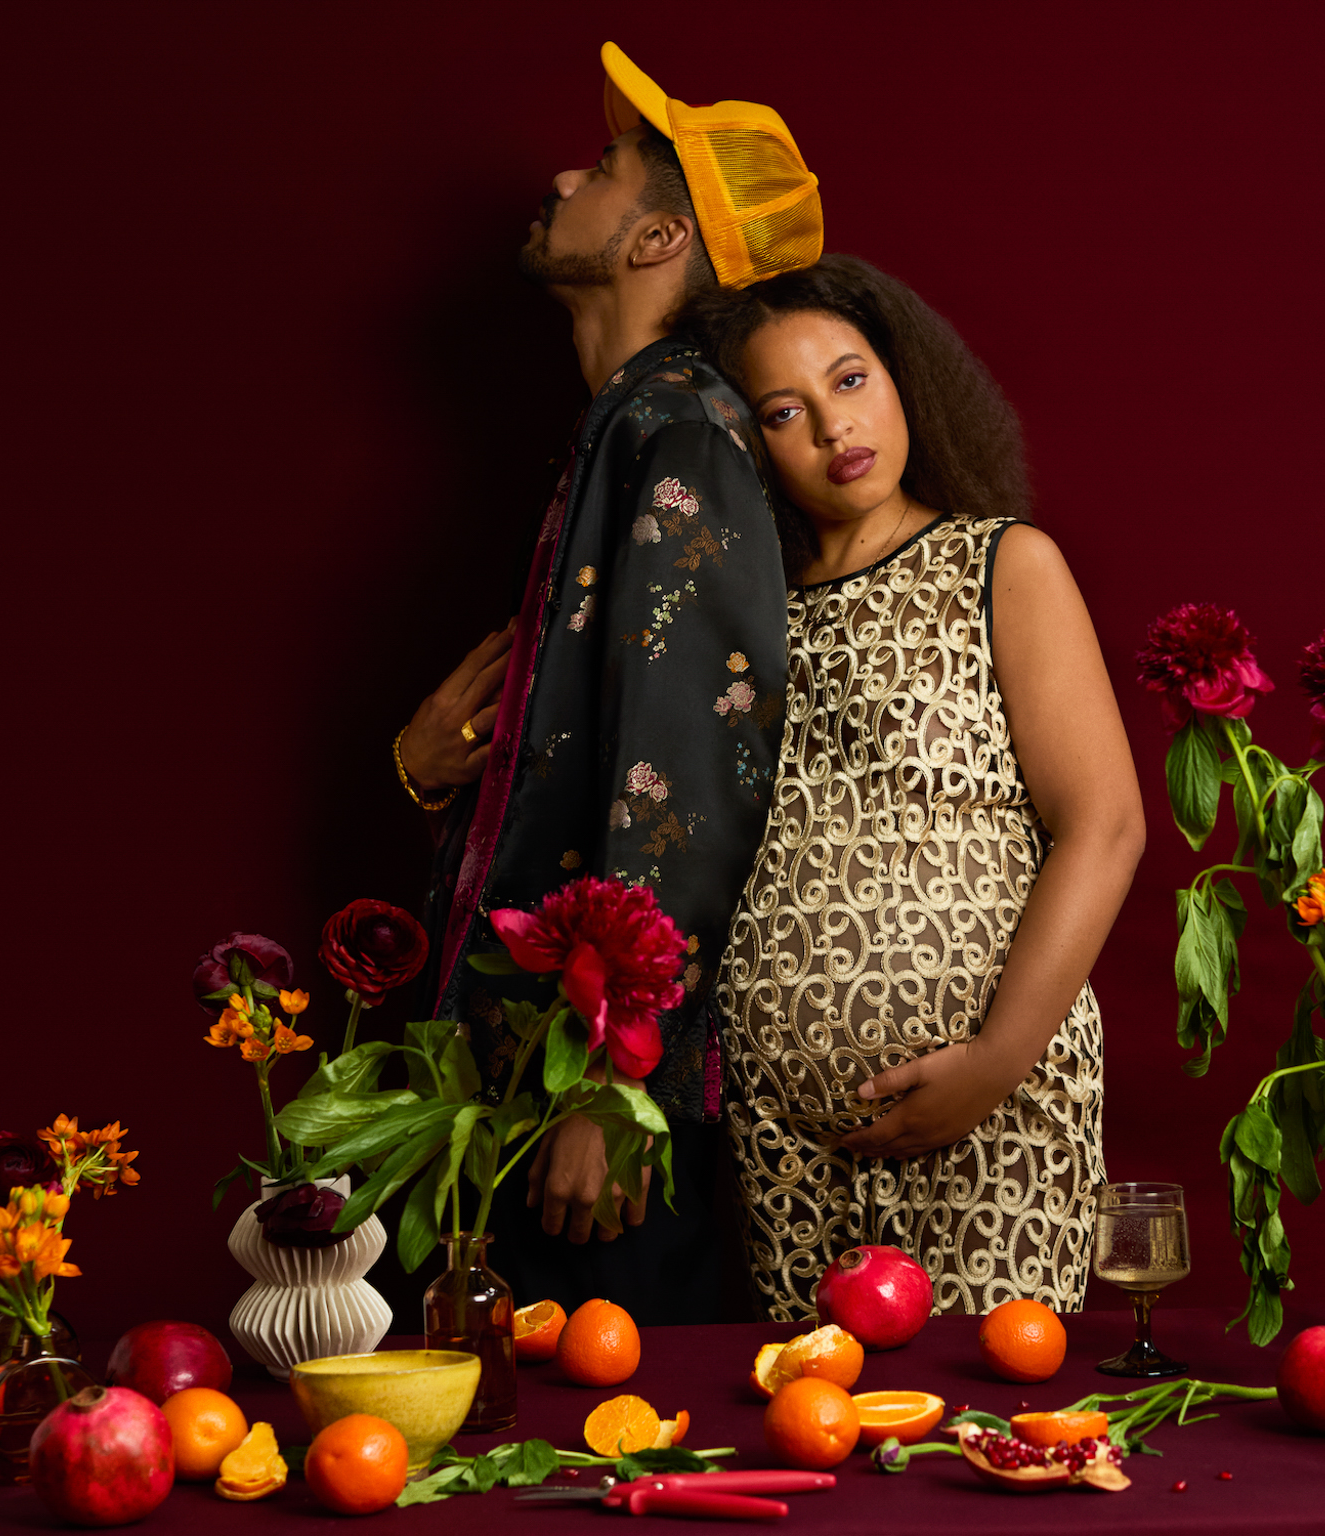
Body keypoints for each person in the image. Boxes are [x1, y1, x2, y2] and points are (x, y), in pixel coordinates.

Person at [394, 43, 822, 1324]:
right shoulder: (621, 428)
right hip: (510, 1072)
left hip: (586, 1104)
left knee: (598, 1415)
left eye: (606, 166)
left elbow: (697, 773)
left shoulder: (680, 428)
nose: (566, 178)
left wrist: (614, 1087)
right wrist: (421, 769)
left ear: (658, 239)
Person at [694, 256, 1143, 1319]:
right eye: (784, 411)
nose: (832, 427)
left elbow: (1106, 825)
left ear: (904, 378)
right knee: (815, 1404)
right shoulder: (743, 616)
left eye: (850, 380)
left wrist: (996, 1061)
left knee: (990, 1400)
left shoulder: (1002, 563)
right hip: (783, 1128)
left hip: (993, 1104)